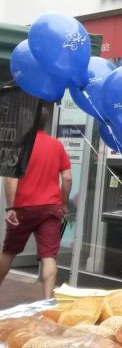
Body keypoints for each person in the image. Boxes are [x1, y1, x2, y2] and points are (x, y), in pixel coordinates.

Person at [1, 107, 72, 299]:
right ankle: (48, 299)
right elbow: (66, 178)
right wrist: (64, 203)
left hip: (23, 208)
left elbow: (10, 179)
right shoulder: (56, 145)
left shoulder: (20, 145)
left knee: (9, 251)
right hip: (50, 208)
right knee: (49, 256)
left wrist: (10, 207)